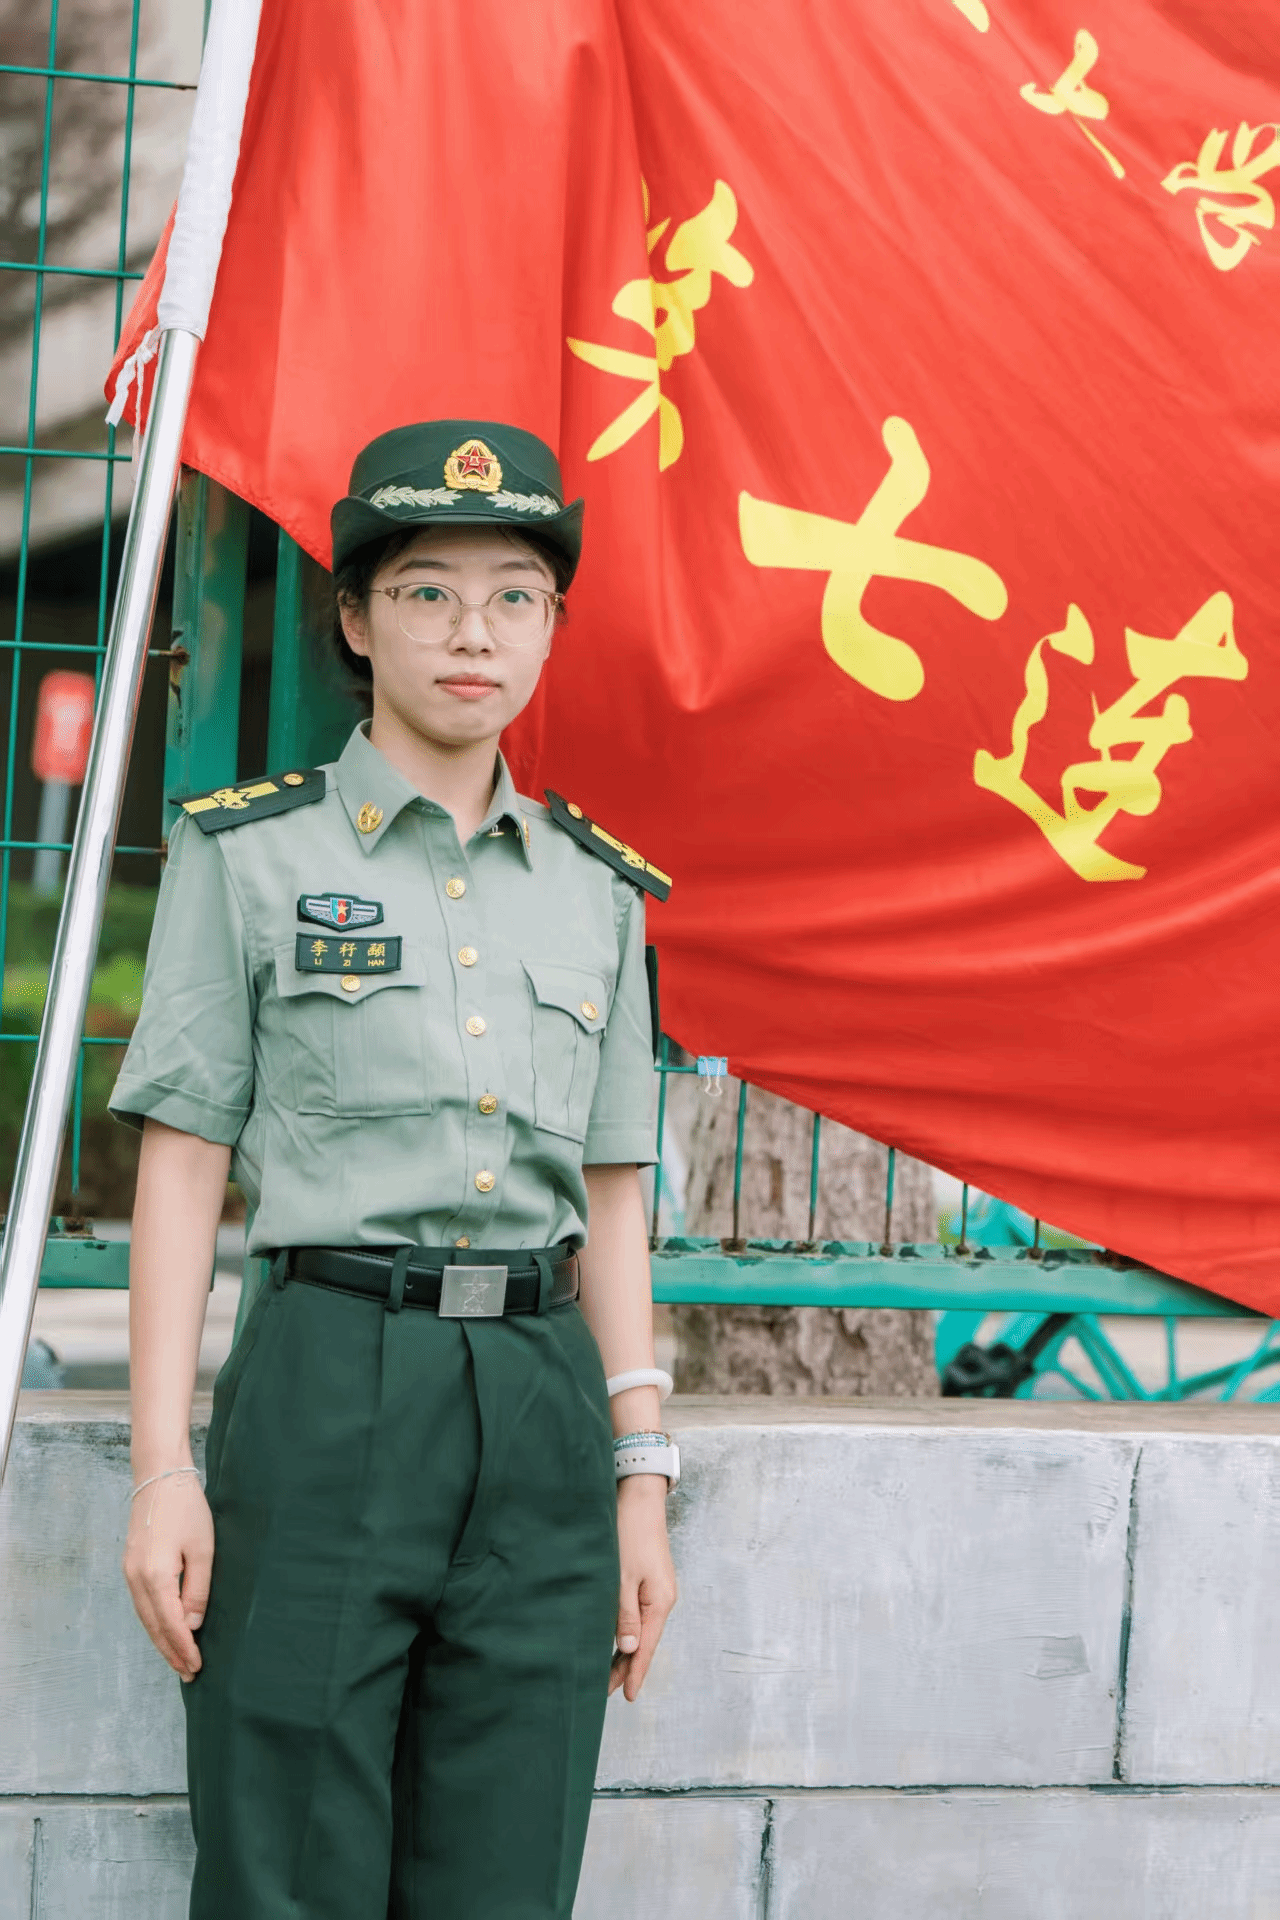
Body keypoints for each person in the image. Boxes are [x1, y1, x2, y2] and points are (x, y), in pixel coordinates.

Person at [114, 419, 679, 1920]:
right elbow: (183, 1161)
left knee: (508, 1874)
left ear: (552, 626)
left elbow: (612, 1195)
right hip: (329, 1374)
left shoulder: (599, 895)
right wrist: (162, 1467)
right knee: (285, 1867)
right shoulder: (250, 857)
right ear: (357, 623)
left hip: (543, 1402)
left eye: (514, 596)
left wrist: (639, 1478)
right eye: (428, 591)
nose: (473, 633)